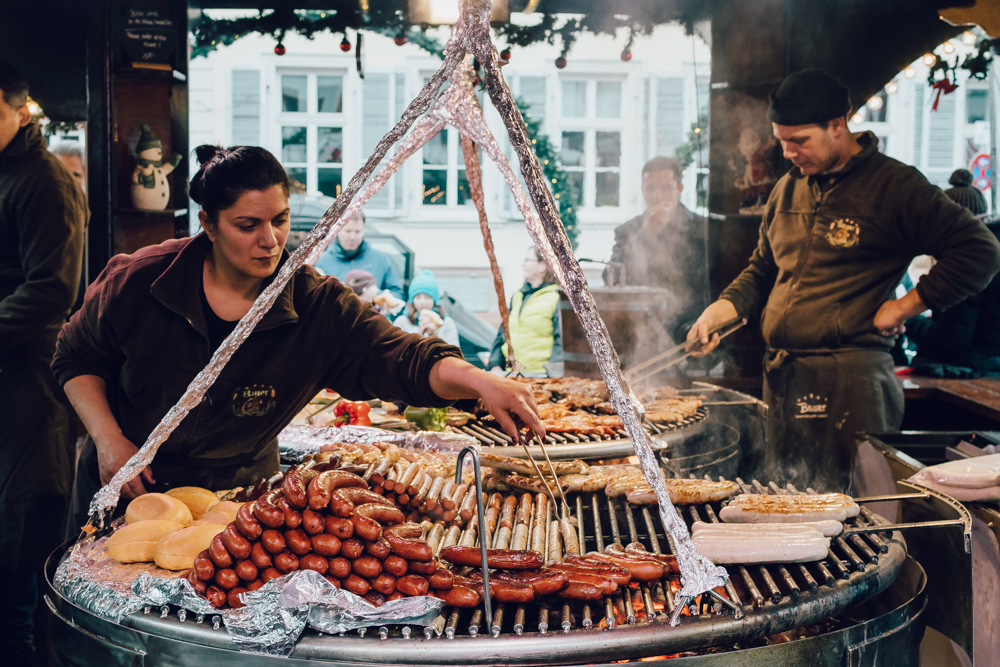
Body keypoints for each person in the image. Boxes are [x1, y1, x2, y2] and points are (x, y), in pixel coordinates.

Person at [55, 145, 542, 531]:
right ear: (208, 224)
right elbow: (75, 357)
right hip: (129, 485)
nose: (270, 240)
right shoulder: (140, 280)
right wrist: (108, 439)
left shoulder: (314, 303)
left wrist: (479, 380)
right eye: (248, 225)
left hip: (237, 501)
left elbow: (400, 356)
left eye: (280, 220)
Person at [688, 69, 1000, 493]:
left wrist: (904, 306)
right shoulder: (787, 189)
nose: (789, 153)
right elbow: (763, 269)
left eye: (799, 140)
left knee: (854, 507)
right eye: (782, 141)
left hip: (850, 381)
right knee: (786, 502)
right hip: (783, 377)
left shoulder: (894, 186)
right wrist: (721, 310)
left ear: (838, 124)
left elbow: (980, 250)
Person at [0, 62, 87, 667]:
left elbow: (52, 289)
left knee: (21, 523)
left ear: (18, 108)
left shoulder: (43, 180)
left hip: (26, 376)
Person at [603, 156, 709, 343]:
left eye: (665, 188)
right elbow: (611, 278)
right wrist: (646, 234)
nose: (657, 196)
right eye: (650, 188)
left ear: (679, 189)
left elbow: (710, 285)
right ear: (642, 191)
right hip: (639, 334)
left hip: (690, 333)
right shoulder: (628, 231)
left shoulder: (703, 229)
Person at [906, 169, 1000, 377]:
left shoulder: (969, 259)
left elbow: (950, 341)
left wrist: (911, 322)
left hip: (973, 373)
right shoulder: (993, 247)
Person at [489, 246, 561, 375]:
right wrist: (495, 364)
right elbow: (503, 332)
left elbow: (560, 342)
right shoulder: (518, 295)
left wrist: (552, 376)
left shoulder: (556, 298)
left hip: (540, 376)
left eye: (527, 260)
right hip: (513, 374)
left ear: (542, 266)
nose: (523, 264)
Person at [314, 211, 405, 300]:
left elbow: (398, 295)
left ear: (364, 230)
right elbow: (313, 299)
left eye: (357, 232)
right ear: (338, 230)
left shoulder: (380, 259)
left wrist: (377, 295)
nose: (352, 237)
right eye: (348, 231)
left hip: (372, 310)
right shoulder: (321, 261)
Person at [393, 270, 460, 347]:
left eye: (427, 297)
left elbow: (455, 351)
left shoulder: (447, 323)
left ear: (434, 299)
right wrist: (419, 335)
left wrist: (435, 336)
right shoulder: (402, 322)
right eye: (418, 297)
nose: (422, 302)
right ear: (412, 299)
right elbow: (395, 350)